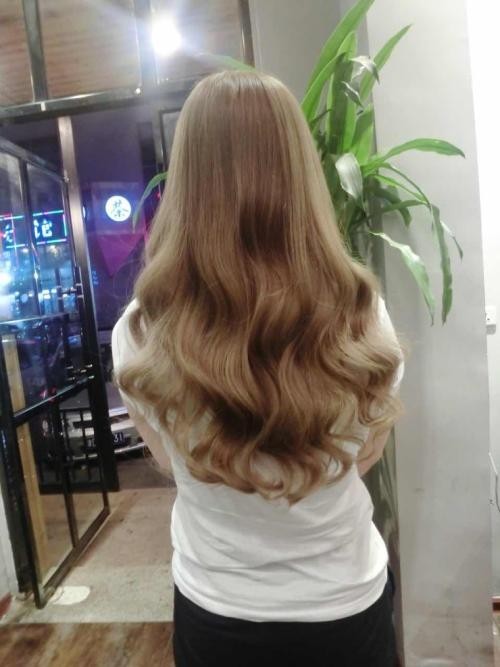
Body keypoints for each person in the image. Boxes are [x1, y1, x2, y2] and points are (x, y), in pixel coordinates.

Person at [111, 70, 405, 667]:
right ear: (300, 173)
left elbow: (172, 462)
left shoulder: (141, 332)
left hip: (218, 613)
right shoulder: (363, 316)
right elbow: (363, 455)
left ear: (189, 180)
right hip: (344, 606)